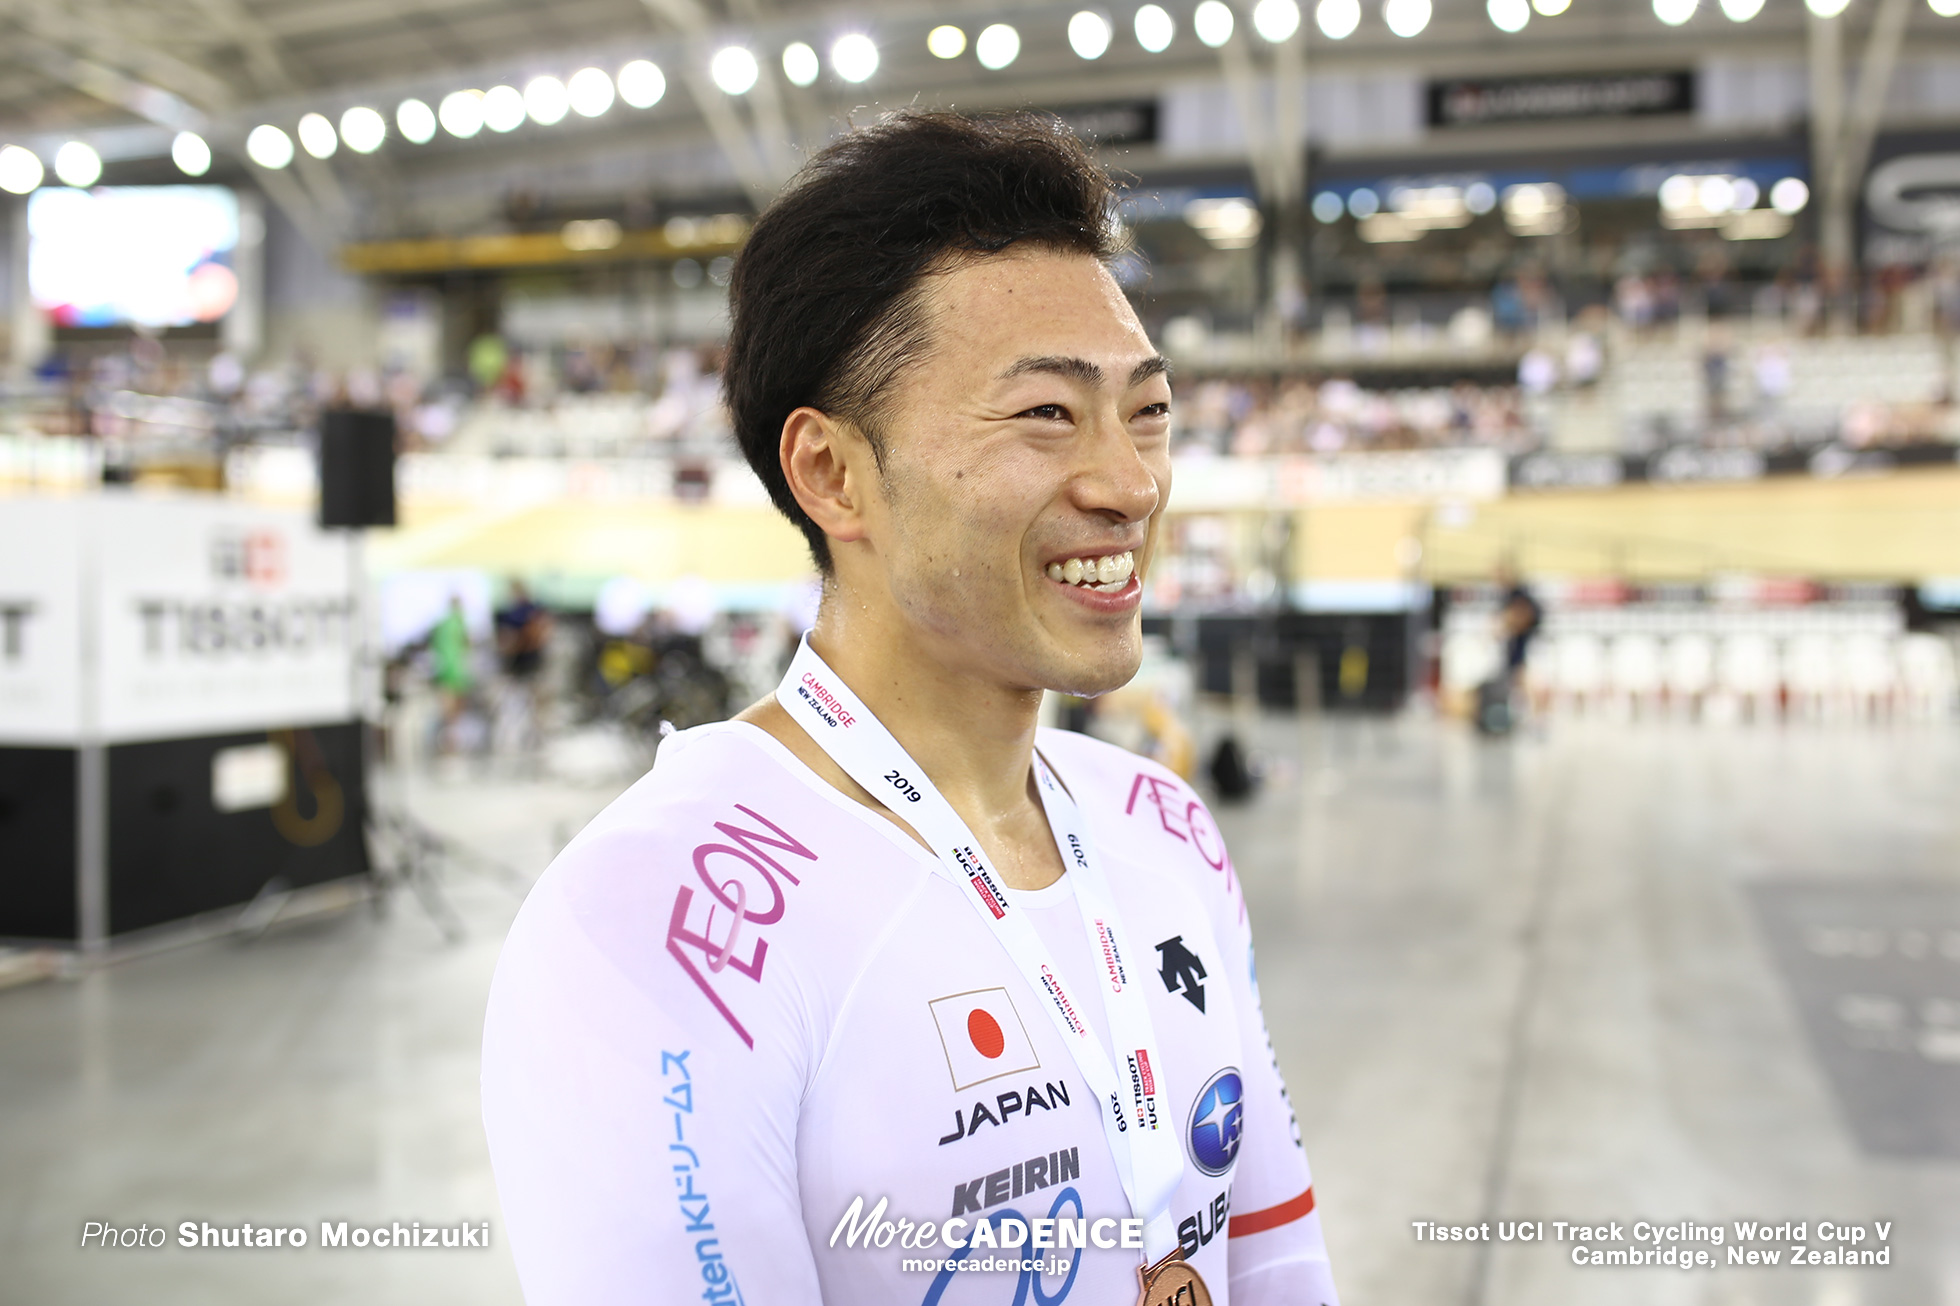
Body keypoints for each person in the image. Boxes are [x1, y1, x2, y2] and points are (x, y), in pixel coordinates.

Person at [481, 110, 1338, 1306]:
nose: (1131, 482)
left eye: (1146, 410)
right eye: (1047, 413)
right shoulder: (653, 920)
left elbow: (1278, 1263)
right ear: (832, 473)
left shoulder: (1160, 822)